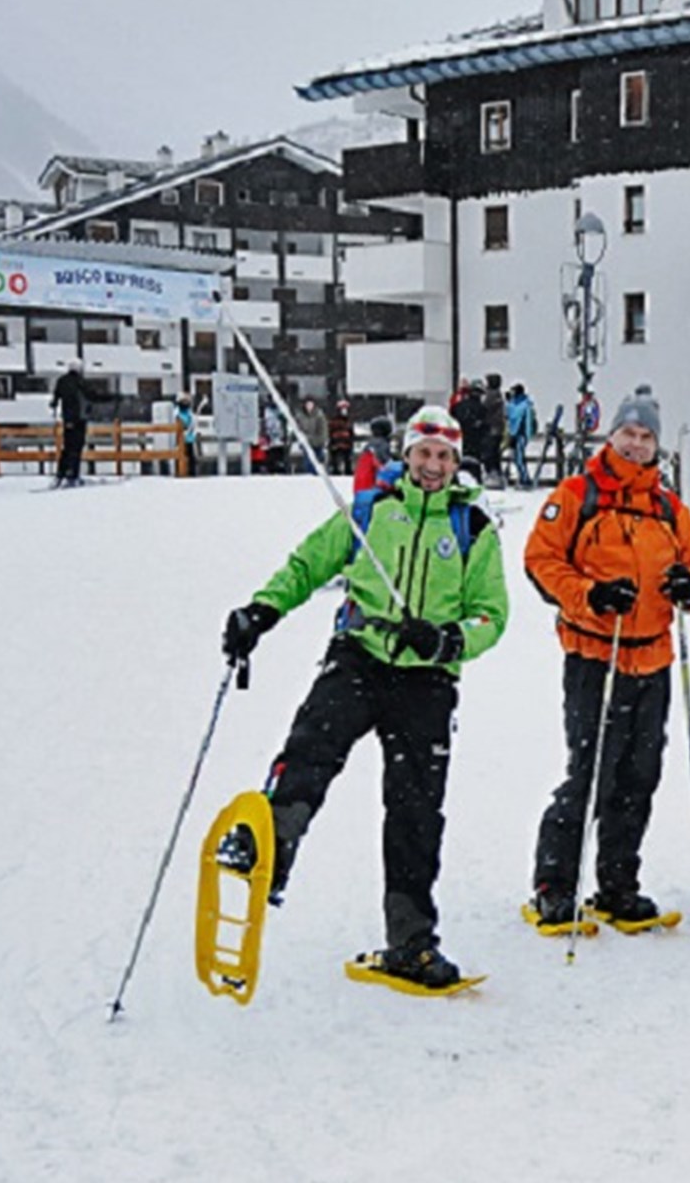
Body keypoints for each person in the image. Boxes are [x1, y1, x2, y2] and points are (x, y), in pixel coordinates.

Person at [216, 407, 509, 988]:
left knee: (415, 810)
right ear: (407, 454)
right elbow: (307, 564)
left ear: (456, 463)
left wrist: (447, 639)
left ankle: (411, 941)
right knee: (311, 748)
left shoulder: (472, 528)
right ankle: (270, 849)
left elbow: (491, 614)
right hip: (360, 655)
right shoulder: (372, 510)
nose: (432, 465)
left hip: (426, 678)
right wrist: (261, 611)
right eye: (423, 453)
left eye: (443, 456)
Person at [523, 384, 690, 930]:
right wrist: (591, 594)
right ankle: (554, 884)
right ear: (611, 436)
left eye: (646, 436)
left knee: (639, 776)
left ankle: (617, 883)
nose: (636, 444)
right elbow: (540, 560)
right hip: (595, 655)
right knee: (590, 773)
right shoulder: (576, 494)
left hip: (653, 658)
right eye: (628, 433)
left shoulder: (669, 508)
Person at [50, 359, 88, 488]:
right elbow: (91, 396)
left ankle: (60, 474)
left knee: (67, 447)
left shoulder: (62, 381)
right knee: (76, 447)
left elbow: (56, 397)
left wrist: (54, 405)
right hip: (79, 419)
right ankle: (72, 475)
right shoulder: (80, 382)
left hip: (67, 419)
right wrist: (112, 398)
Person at [451, 380, 490, 478]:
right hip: (475, 444)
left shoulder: (458, 406)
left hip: (460, 441)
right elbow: (486, 428)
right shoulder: (483, 409)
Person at [505, 382, 537, 488]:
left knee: (519, 458)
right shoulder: (514, 403)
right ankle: (523, 477)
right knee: (516, 458)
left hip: (520, 434)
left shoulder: (524, 405)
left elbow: (526, 420)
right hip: (514, 434)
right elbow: (508, 415)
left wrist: (527, 434)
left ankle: (525, 479)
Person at [353, 419, 393, 494]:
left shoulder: (370, 444)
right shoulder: (381, 444)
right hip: (372, 484)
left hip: (361, 486)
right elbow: (386, 463)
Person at [481, 374, 507, 486]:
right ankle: (498, 474)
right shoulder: (498, 395)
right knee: (495, 453)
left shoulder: (491, 395)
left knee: (490, 453)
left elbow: (484, 408)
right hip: (498, 429)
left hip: (491, 429)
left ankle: (493, 475)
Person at [327, 400, 355, 476]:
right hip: (336, 442)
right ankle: (335, 470)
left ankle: (348, 470)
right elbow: (331, 431)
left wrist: (350, 440)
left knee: (348, 458)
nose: (344, 411)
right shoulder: (334, 420)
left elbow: (351, 432)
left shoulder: (349, 421)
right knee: (335, 458)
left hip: (347, 443)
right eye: (343, 409)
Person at [176, 393, 198, 478]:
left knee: (190, 456)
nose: (184, 403)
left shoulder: (189, 413)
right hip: (179, 440)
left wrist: (188, 431)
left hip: (189, 439)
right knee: (179, 456)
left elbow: (193, 424)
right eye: (183, 401)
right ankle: (179, 472)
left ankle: (191, 472)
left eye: (186, 401)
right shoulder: (176, 413)